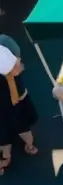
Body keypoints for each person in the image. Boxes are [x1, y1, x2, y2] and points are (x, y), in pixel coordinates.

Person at [0, 45, 38, 175]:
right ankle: (5, 154)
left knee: (19, 123)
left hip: (13, 97)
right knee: (3, 130)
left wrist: (12, 68)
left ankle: (26, 143)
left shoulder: (3, 52)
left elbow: (17, 68)